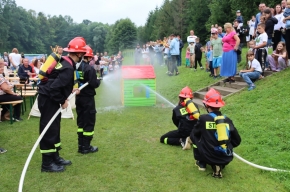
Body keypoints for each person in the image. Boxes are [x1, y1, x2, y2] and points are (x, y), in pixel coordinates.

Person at [37, 37, 87, 172]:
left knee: (54, 128)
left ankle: (55, 157)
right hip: (49, 99)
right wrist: (62, 101)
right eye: (83, 53)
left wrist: (71, 88)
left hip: (49, 98)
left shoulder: (65, 62)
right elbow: (54, 87)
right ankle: (47, 164)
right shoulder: (68, 67)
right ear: (79, 54)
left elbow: (56, 80)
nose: (83, 56)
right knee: (49, 130)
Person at [188, 88, 241, 178]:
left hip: (208, 155)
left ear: (207, 105)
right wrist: (227, 147)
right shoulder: (227, 120)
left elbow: (195, 133)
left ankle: (201, 163)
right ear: (220, 105)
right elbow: (237, 140)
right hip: (225, 156)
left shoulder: (203, 118)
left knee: (194, 135)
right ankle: (218, 165)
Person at [75, 45, 101, 154]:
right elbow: (94, 84)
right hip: (88, 99)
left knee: (81, 122)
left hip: (79, 98)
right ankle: (86, 147)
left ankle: (81, 145)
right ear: (89, 57)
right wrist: (98, 81)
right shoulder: (89, 69)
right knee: (89, 121)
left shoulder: (77, 67)